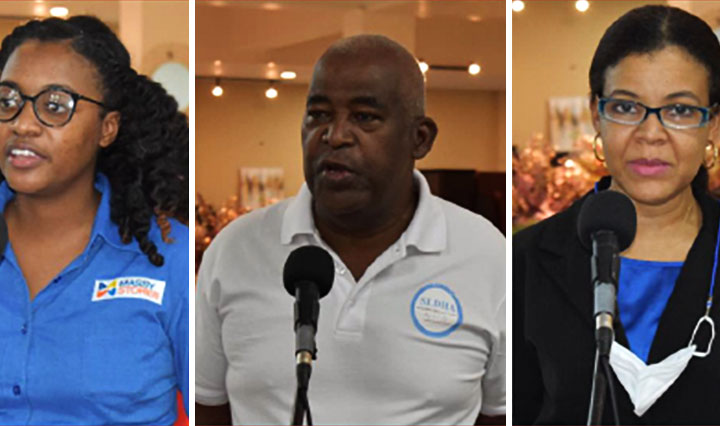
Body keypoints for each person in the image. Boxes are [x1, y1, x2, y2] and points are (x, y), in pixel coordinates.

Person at [195, 35, 505, 425]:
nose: (334, 135)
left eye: (364, 117)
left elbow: (497, 413)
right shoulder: (235, 249)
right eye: (318, 114)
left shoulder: (487, 255)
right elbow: (207, 406)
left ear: (420, 138)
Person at [0, 16, 189, 425]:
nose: (23, 124)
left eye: (55, 106)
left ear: (107, 128)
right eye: (8, 101)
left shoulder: (169, 257)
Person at [513, 5, 720, 425]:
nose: (650, 133)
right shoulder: (528, 259)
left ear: (713, 123)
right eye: (626, 107)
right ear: (596, 113)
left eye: (680, 110)